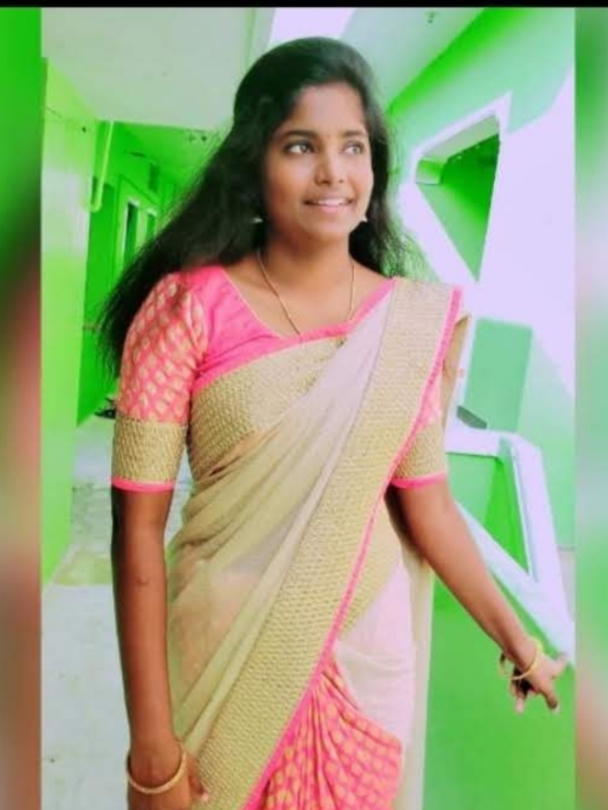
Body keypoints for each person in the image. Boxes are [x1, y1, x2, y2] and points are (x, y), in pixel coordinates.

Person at [99, 36, 568, 810]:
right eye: (300, 146)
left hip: (365, 664)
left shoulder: (407, 323)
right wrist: (151, 749)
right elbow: (135, 532)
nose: (333, 173)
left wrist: (517, 639)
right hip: (223, 652)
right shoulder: (185, 309)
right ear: (253, 162)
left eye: (353, 146)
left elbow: (430, 504)